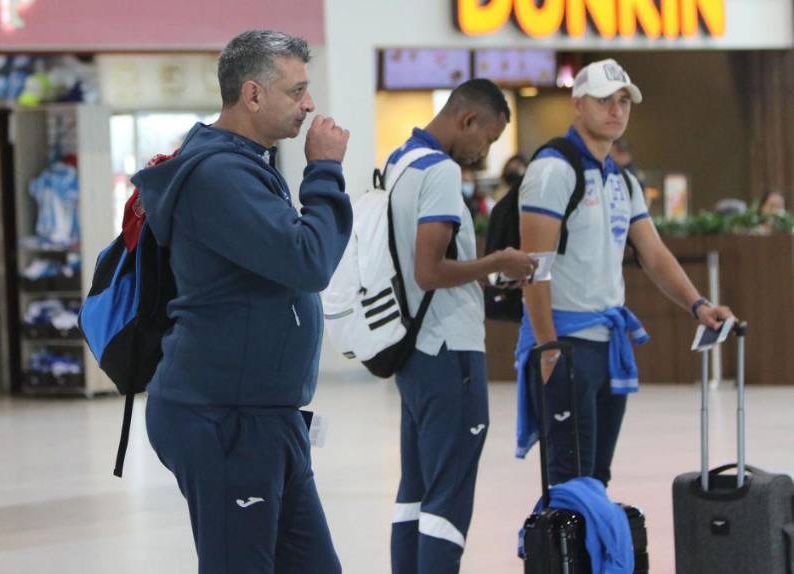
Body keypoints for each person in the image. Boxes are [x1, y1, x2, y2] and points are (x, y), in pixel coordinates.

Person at [131, 30, 351, 574]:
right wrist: (324, 170)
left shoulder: (246, 162)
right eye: (297, 91)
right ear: (252, 95)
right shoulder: (220, 174)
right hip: (224, 417)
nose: (310, 104)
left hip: (263, 416)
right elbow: (309, 261)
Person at [516, 59, 735, 487]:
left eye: (623, 101)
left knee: (597, 474)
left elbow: (653, 253)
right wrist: (548, 348)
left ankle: (594, 555)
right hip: (565, 342)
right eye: (604, 101)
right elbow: (533, 268)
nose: (616, 110)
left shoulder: (621, 180)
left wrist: (698, 305)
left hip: (606, 343)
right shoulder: (553, 171)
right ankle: (563, 555)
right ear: (578, 105)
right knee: (569, 476)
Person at [385, 79, 536, 574]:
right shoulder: (441, 171)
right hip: (450, 352)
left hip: (412, 350)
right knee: (448, 499)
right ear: (468, 120)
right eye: (488, 139)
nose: (485, 152)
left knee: (415, 493)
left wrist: (486, 271)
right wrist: (499, 260)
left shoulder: (399, 162)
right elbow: (430, 270)